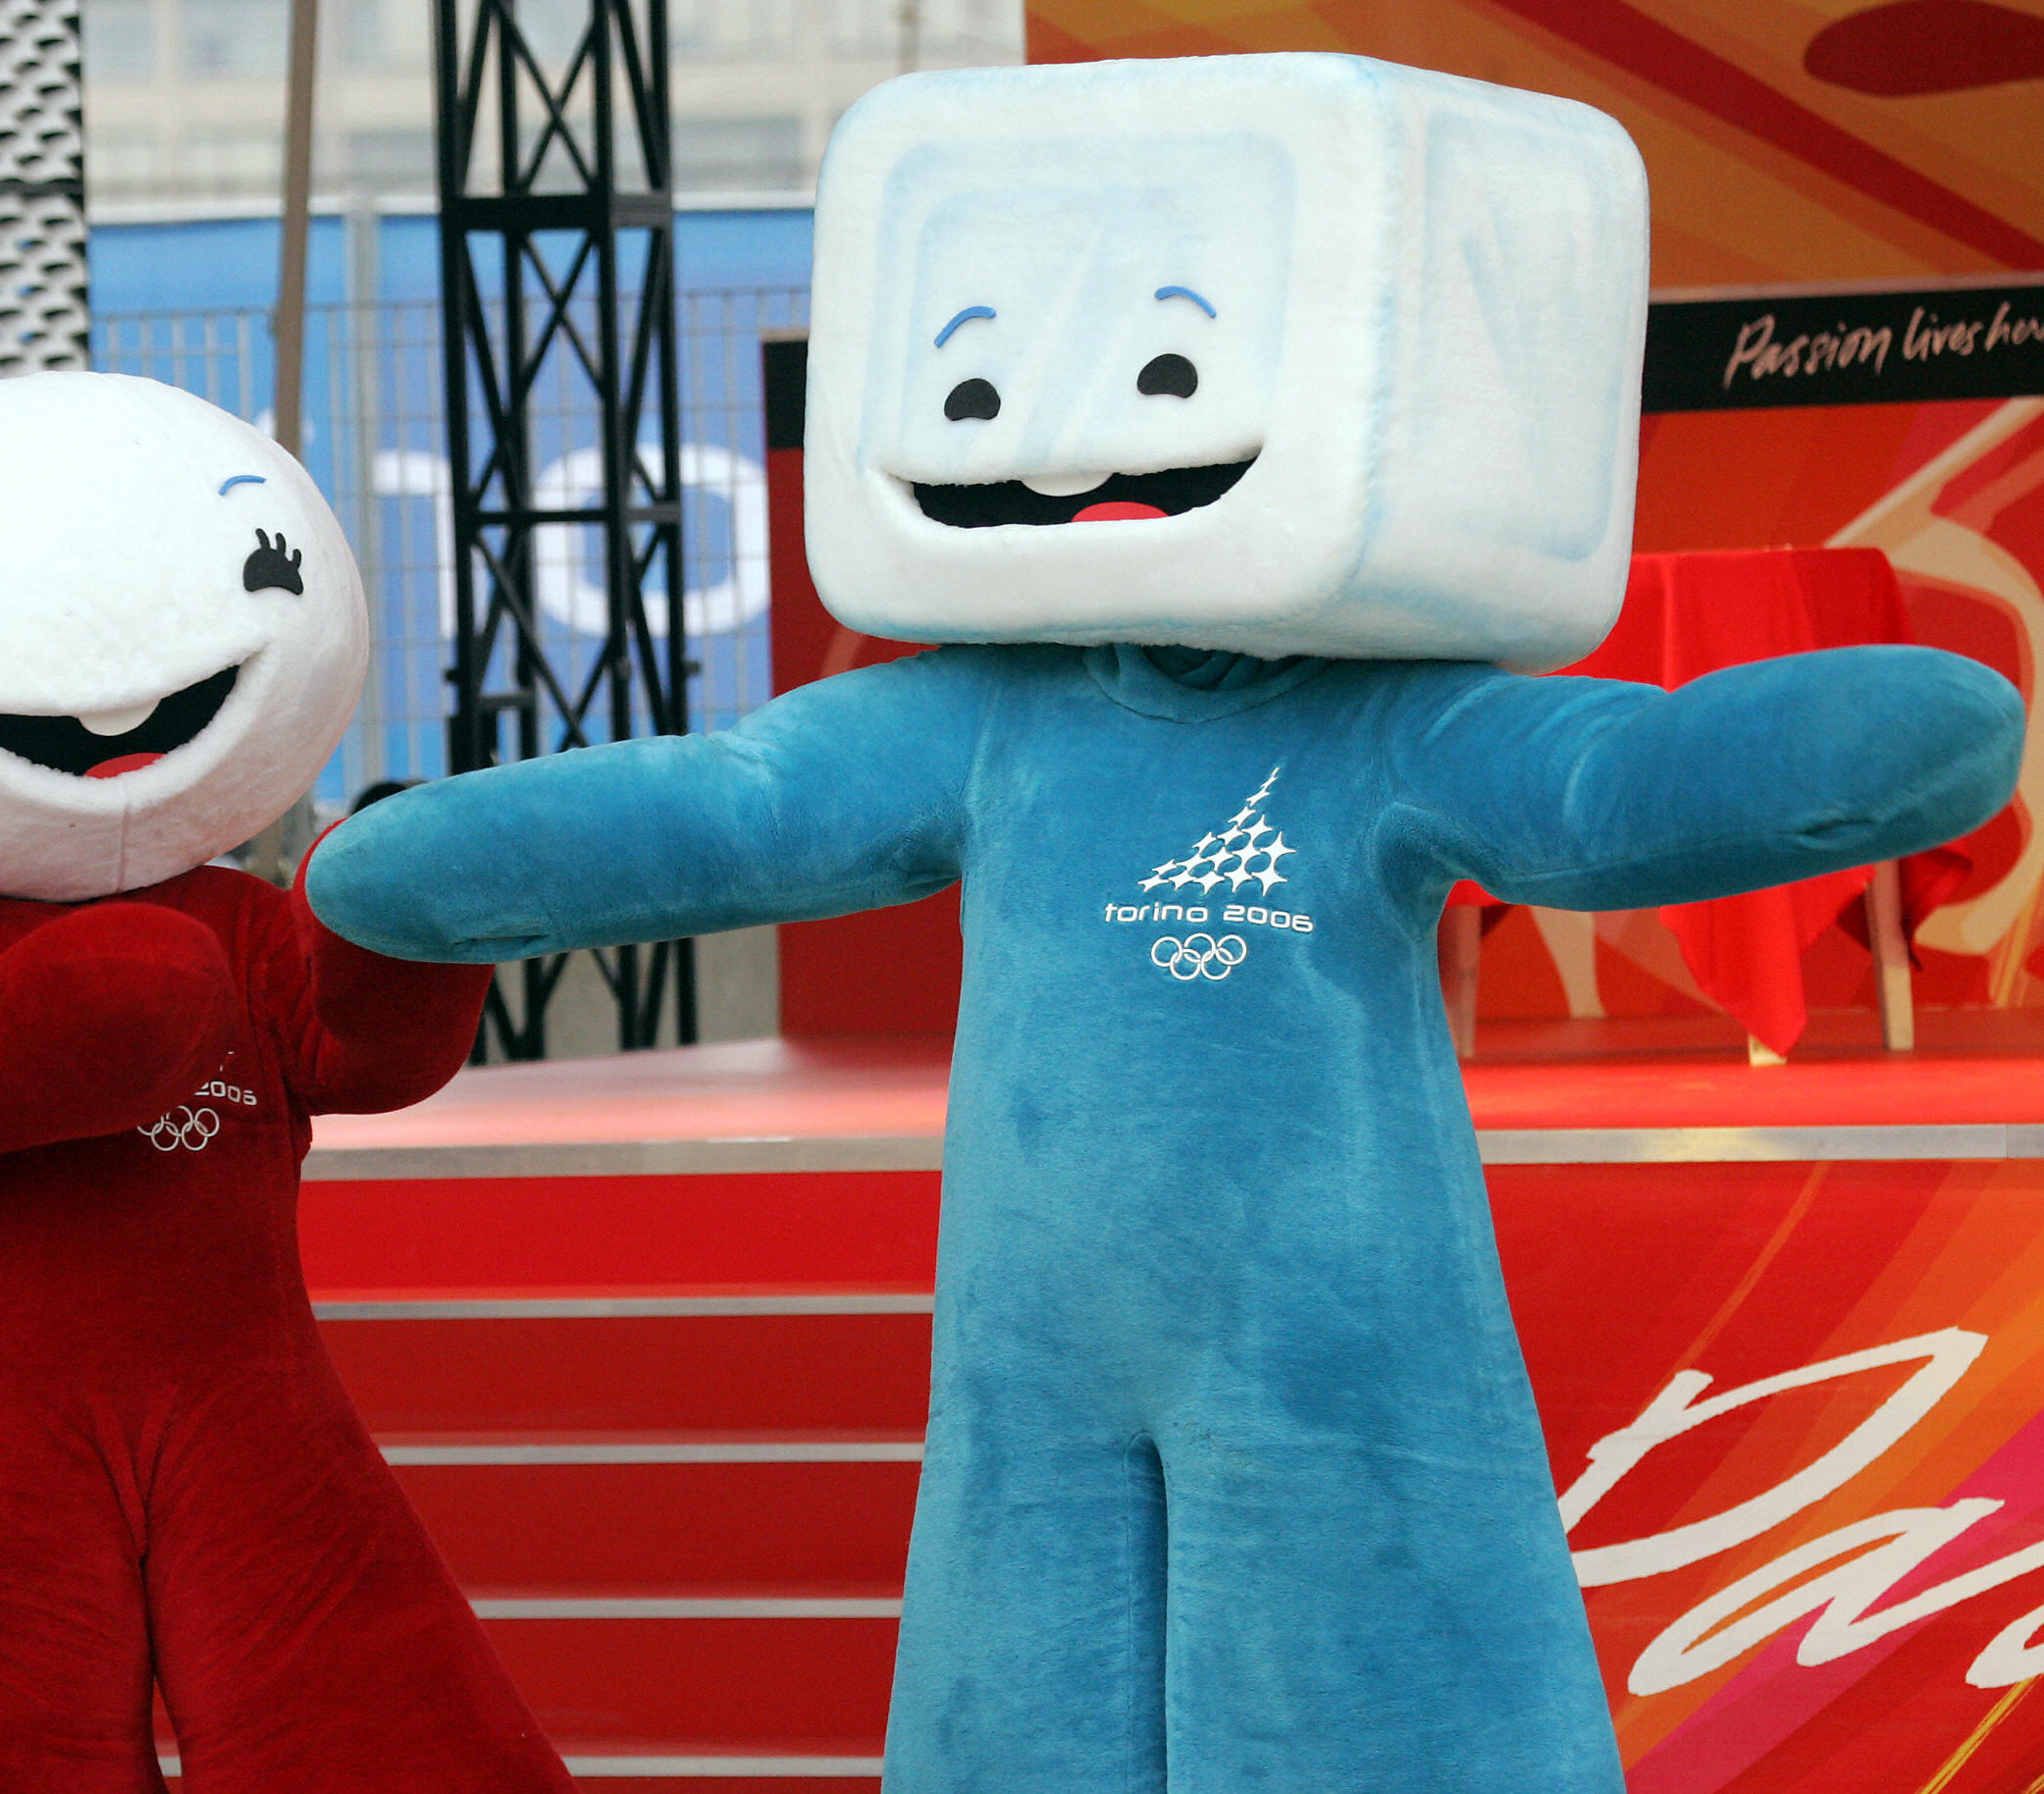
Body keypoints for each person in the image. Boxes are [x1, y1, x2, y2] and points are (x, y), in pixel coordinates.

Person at [305, 56, 2025, 1794]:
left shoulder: (1389, 723)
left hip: (1333, 1358)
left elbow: (1609, 789)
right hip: (1030, 1379)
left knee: (1368, 1697)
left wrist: (1870, 737)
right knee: (1020, 1701)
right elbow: (735, 805)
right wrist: (428, 859)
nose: (1064, 440)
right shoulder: (980, 714)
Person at [0, 372, 574, 1794]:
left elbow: (363, 1056)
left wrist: (418, 928)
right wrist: (70, 1021)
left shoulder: (237, 915)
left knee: (362, 1707)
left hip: (252, 1398)